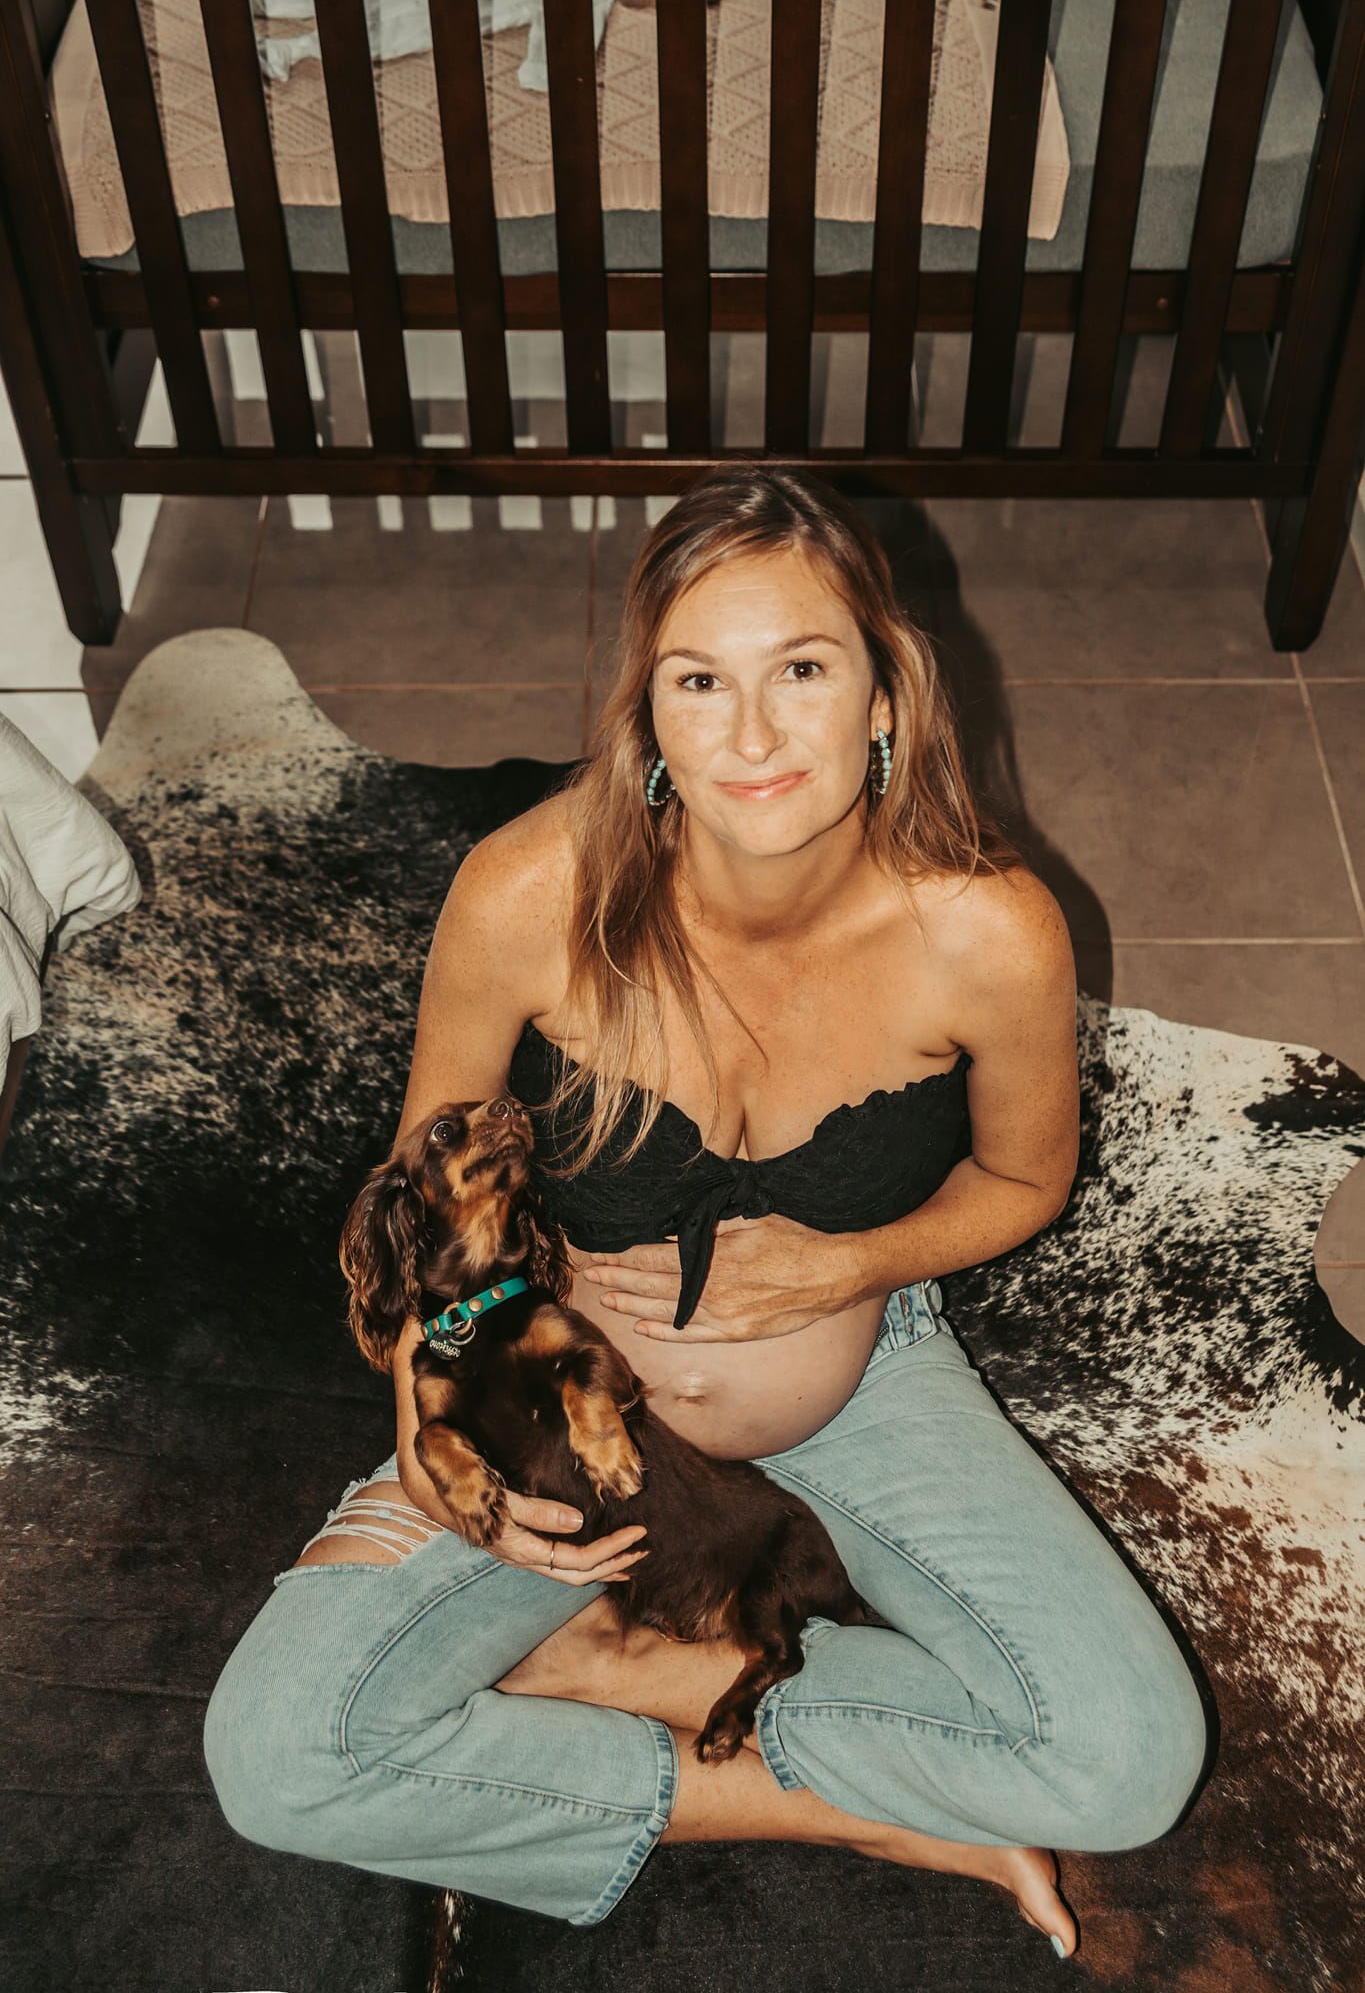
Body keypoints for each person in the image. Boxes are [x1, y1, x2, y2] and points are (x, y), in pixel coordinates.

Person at [203, 468, 1208, 1957]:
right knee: (280, 1755)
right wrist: (427, 1403)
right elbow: (429, 1192)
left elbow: (1022, 1180)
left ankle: (613, 1675)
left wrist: (856, 1262)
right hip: (551, 1388)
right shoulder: (525, 891)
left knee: (1128, 1760)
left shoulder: (990, 929)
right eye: (698, 682)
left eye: (801, 670)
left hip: (859, 1378)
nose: (751, 736)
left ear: (884, 692)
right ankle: (839, 1799)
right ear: (647, 715)